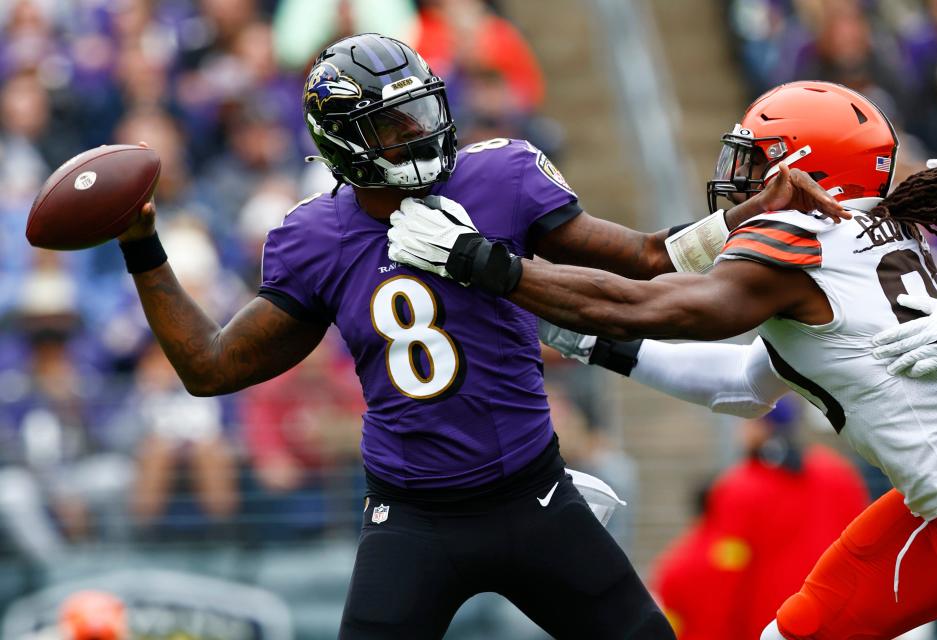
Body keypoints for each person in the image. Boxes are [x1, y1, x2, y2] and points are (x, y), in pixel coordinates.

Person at [111, 34, 844, 639]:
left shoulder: (501, 176)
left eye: (422, 110)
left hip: (533, 494)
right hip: (411, 516)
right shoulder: (314, 237)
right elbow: (210, 368)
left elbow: (647, 257)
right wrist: (143, 245)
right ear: (343, 142)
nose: (419, 132)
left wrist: (738, 220)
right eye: (391, 126)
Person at [386, 79, 937, 638]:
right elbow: (740, 383)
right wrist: (583, 340)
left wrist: (487, 265)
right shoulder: (874, 239)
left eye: (759, 163)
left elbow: (652, 305)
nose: (743, 181)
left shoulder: (806, 241)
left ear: (811, 168)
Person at [650, 398, 868, 640]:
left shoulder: (741, 486)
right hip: (836, 623)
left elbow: (724, 572)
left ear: (761, 425)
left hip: (772, 626)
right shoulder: (838, 472)